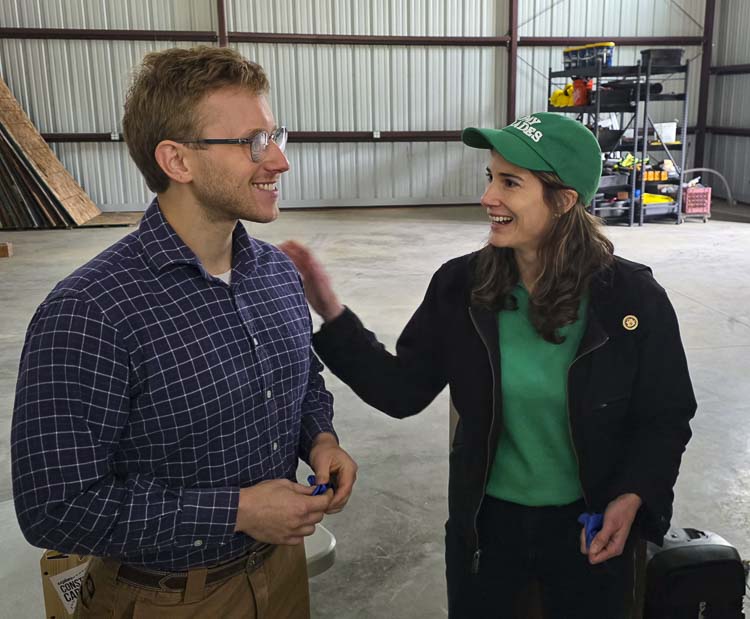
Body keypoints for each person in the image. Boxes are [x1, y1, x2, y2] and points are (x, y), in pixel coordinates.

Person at [280, 112, 696, 618]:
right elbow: (401, 391)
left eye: (510, 183)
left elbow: (665, 416)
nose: (488, 197)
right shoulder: (462, 287)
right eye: (490, 177)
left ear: (564, 201)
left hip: (592, 527)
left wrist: (634, 495)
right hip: (488, 529)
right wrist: (331, 312)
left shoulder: (632, 300)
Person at [11, 46, 357, 619]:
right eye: (253, 143)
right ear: (176, 160)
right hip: (163, 598)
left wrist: (320, 438)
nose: (279, 162)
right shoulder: (90, 311)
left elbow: (302, 380)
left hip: (282, 570)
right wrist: (237, 512)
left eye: (277, 137)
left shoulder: (274, 274)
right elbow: (54, 508)